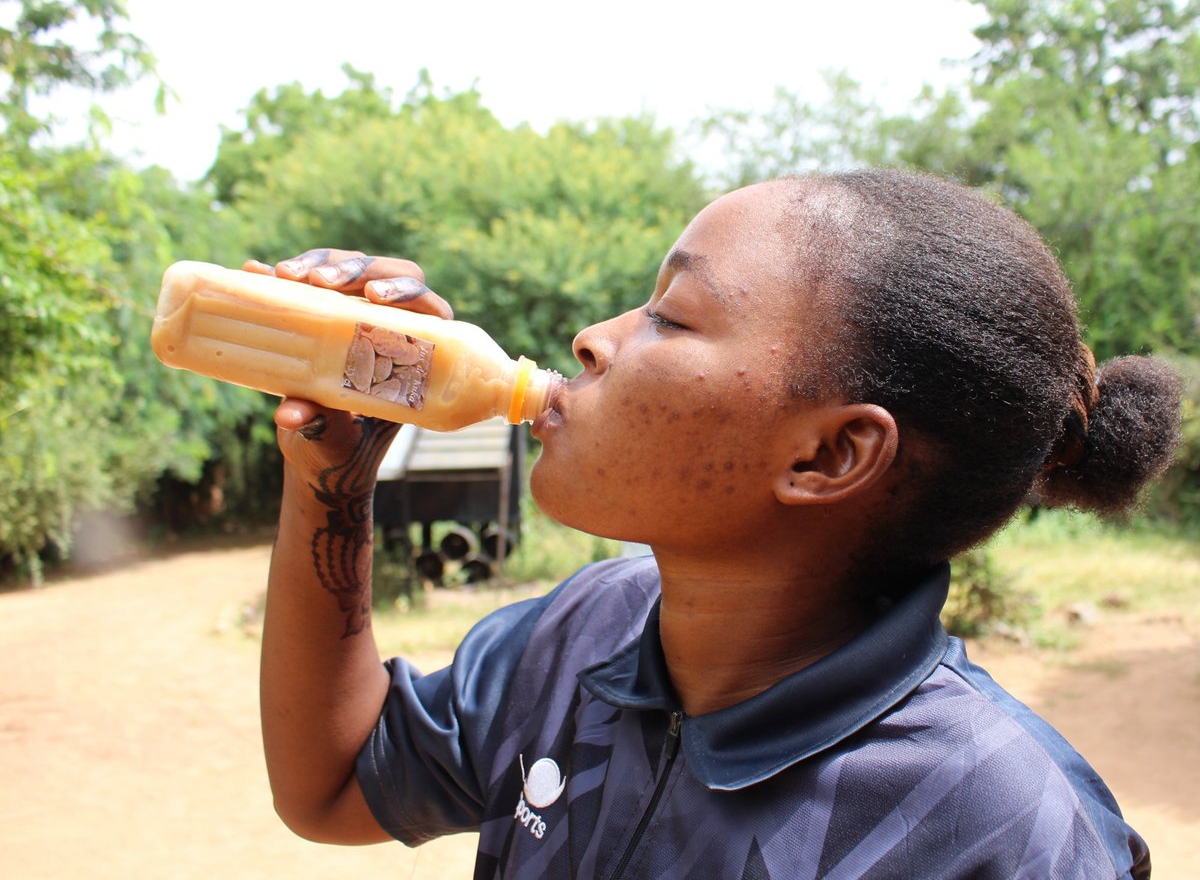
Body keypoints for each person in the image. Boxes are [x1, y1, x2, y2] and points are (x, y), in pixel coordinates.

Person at [250, 169, 1179, 879]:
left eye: (671, 316)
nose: (593, 340)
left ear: (829, 456)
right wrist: (335, 478)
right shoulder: (586, 635)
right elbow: (333, 784)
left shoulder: (998, 832)